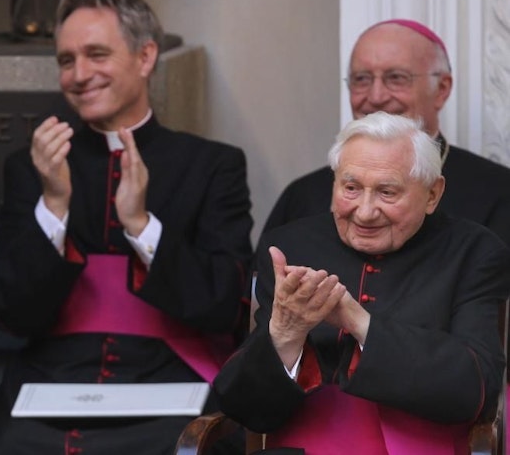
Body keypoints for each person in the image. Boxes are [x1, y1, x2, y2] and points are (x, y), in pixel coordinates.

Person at [0, 0, 253, 454]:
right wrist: (54, 204)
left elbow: (226, 303)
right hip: (51, 381)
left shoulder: (211, 166)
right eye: (66, 60)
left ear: (146, 56)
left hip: (170, 378)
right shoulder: (33, 167)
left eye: (96, 55)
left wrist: (141, 225)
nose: (79, 74)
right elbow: (12, 314)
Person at [215, 112, 509, 454]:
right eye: (351, 188)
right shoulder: (289, 247)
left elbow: (477, 391)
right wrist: (284, 337)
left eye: (387, 192)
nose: (365, 212)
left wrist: (360, 324)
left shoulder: (473, 252)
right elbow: (244, 408)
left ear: (432, 194)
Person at [263, 19, 510, 246]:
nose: (376, 97)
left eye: (396, 78)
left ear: (442, 89)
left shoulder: (498, 191)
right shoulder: (303, 194)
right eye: (361, 79)